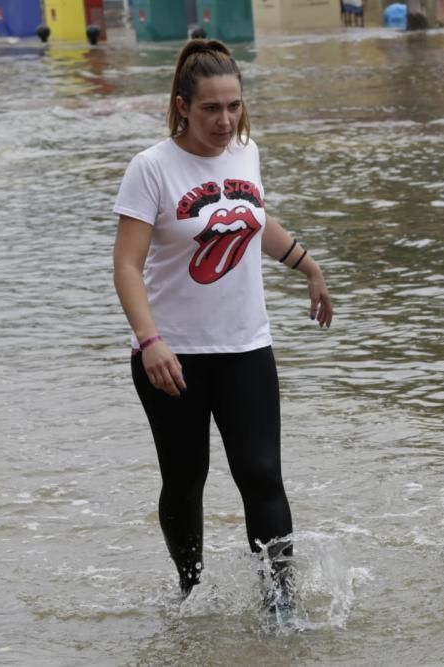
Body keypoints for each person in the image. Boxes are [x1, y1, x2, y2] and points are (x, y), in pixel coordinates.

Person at [112, 39, 333, 607]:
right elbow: (127, 266)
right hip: (173, 356)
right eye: (211, 107)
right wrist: (150, 341)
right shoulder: (151, 168)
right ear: (183, 104)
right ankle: (189, 593)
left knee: (262, 475)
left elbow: (254, 219)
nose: (225, 118)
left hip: (245, 347)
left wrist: (307, 265)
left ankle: (280, 607)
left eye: (233, 105)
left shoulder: (245, 151)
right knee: (186, 481)